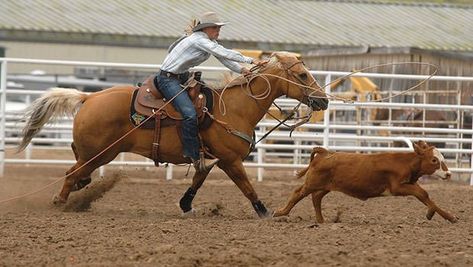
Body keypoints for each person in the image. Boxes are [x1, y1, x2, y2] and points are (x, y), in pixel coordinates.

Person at [156, 11, 267, 172]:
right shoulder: (199, 40)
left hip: (180, 77)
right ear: (205, 29)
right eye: (215, 27)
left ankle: (206, 145)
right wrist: (251, 60)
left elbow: (223, 58)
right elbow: (224, 53)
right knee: (189, 114)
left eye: (219, 27)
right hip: (168, 79)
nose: (218, 30)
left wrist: (242, 69)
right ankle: (194, 156)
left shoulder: (206, 41)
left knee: (206, 105)